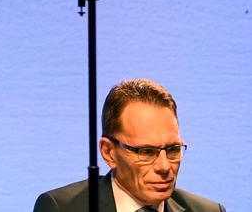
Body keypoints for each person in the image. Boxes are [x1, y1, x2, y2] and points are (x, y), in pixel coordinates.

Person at [33, 79, 225, 211]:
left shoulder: (209, 211)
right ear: (109, 153)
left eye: (173, 149)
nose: (164, 167)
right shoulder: (62, 208)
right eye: (147, 152)